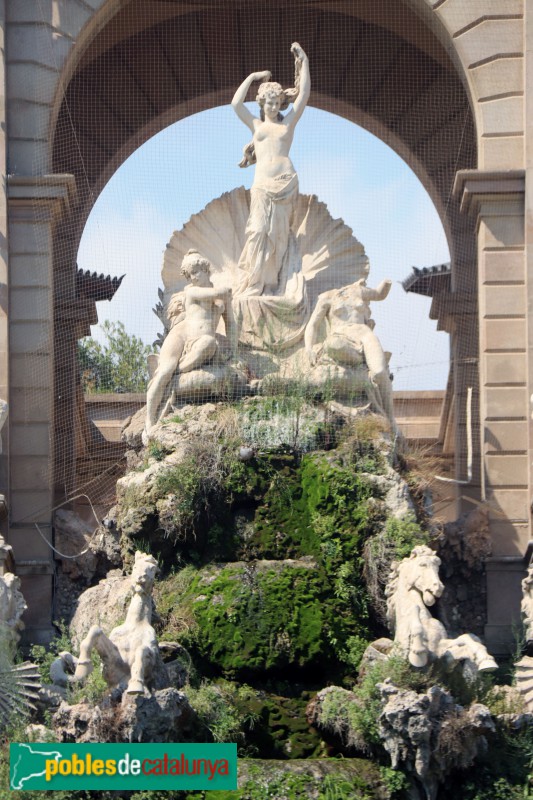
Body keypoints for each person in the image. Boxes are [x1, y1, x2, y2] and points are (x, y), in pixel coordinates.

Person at [231, 43, 310, 297]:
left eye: (277, 102)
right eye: (269, 103)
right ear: (262, 103)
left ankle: (274, 284)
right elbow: (235, 104)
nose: (274, 107)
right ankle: (254, 283)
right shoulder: (256, 126)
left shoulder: (288, 124)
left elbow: (304, 94)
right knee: (256, 231)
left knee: (278, 236)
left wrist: (304, 62)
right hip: (263, 185)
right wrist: (253, 78)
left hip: (286, 182)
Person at [145, 250, 235, 434]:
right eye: (188, 275)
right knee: (164, 372)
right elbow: (221, 291)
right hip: (182, 336)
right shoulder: (193, 291)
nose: (192, 278)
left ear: (205, 269)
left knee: (209, 342)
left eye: (195, 272)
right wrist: (225, 293)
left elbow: (231, 323)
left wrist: (234, 351)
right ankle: (149, 421)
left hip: (202, 342)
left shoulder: (219, 300)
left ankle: (178, 372)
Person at [304, 261, 397, 430]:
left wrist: (387, 282)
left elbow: (379, 294)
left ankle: (391, 421)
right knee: (334, 345)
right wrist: (309, 348)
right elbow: (312, 325)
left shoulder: (358, 290)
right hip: (341, 337)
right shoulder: (326, 297)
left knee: (379, 372)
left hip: (364, 334)